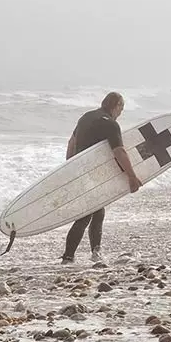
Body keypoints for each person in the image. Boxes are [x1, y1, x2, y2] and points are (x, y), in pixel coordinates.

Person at [61, 92, 142, 263]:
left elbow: (71, 143)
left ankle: (95, 253)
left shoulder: (86, 117)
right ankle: (68, 257)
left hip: (80, 171)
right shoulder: (111, 125)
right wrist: (132, 176)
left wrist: (69, 168)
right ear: (117, 105)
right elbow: (119, 151)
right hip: (93, 175)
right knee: (86, 215)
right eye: (122, 108)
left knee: (98, 212)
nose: (121, 112)